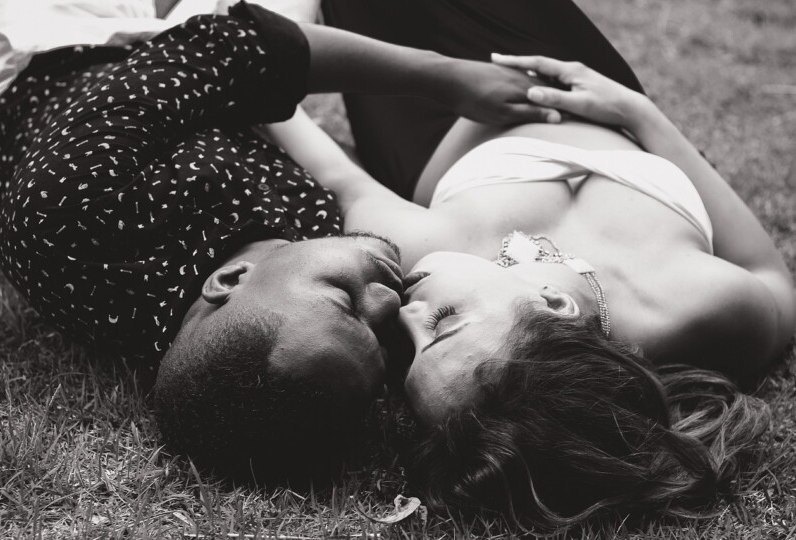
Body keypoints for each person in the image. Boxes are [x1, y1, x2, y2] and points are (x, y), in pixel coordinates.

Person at [256, 0, 796, 526]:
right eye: (442, 325)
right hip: (582, 80)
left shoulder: (423, 244)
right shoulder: (691, 305)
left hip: (421, 123)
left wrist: (243, 46)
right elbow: (775, 280)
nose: (403, 315)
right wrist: (636, 110)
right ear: (555, 305)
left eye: (411, 353)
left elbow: (323, 157)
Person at [0, 0, 558, 480]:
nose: (391, 302)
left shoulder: (72, 216)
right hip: (197, 75)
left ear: (229, 280)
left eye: (343, 300)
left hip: (57, 48)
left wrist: (446, 77)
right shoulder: (289, 309)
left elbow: (232, 44)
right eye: (380, 343)